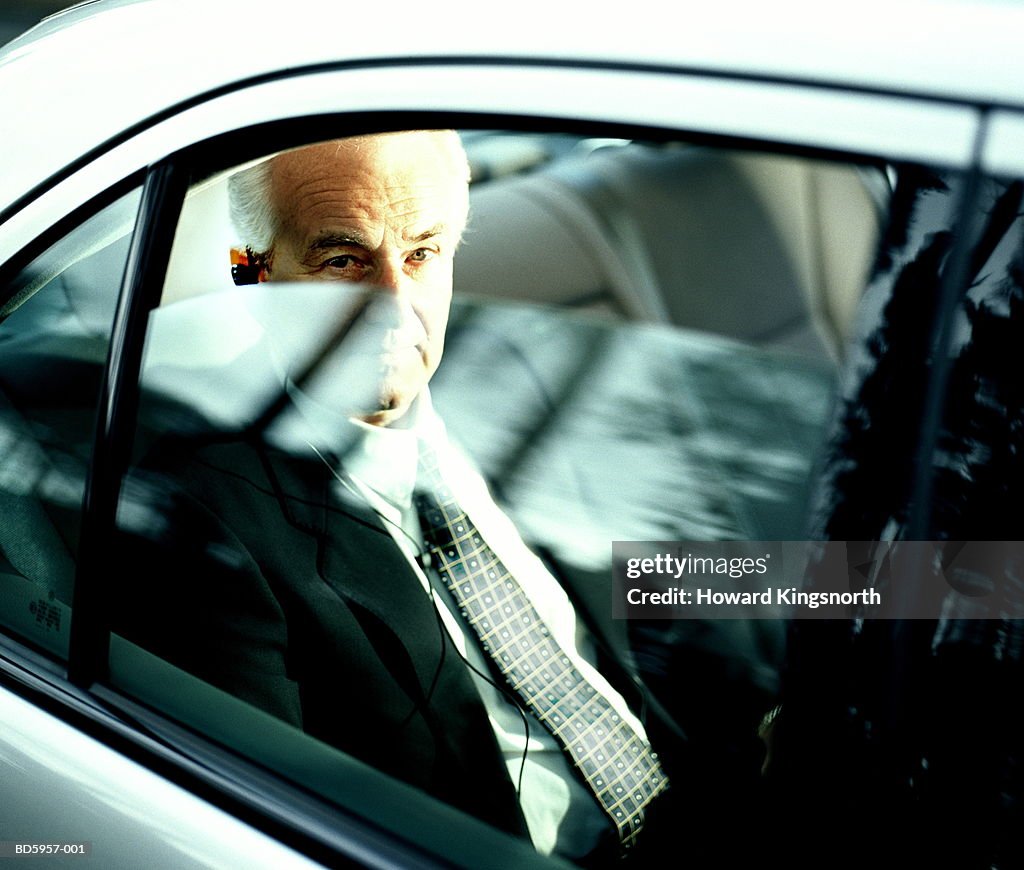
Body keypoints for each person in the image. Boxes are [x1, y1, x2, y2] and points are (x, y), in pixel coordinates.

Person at [116, 131, 692, 865]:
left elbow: (668, 586)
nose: (396, 304)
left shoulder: (527, 380)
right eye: (344, 261)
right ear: (251, 275)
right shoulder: (200, 523)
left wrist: (870, 598)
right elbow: (266, 829)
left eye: (421, 255)